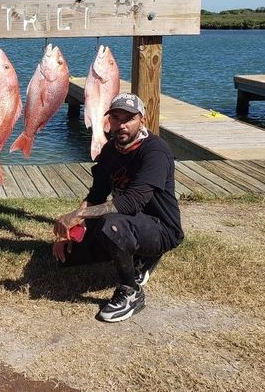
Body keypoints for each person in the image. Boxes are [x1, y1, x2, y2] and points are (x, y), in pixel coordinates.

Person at [53, 93, 183, 322]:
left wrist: (78, 214)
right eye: (115, 117)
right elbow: (96, 195)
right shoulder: (110, 150)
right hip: (128, 222)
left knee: (111, 225)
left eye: (129, 118)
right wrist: (71, 228)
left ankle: (131, 291)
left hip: (161, 228)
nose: (121, 125)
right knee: (67, 258)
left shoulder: (155, 151)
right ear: (109, 120)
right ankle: (138, 256)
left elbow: (131, 202)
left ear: (142, 120)